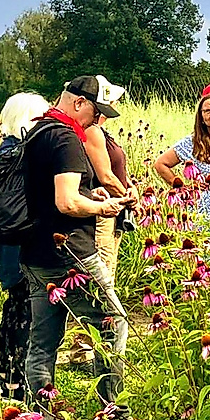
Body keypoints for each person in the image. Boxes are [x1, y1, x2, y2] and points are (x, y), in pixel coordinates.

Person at [20, 75, 132, 420]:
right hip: (70, 253)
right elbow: (66, 202)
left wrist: (92, 195)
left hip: (34, 254)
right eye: (95, 111)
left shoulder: (37, 133)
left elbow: (51, 193)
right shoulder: (67, 137)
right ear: (79, 103)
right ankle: (113, 412)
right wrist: (103, 208)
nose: (96, 120)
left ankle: (45, 419)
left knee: (43, 340)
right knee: (113, 325)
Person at [0, 92, 50, 402]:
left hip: (2, 243)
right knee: (28, 312)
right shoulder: (24, 154)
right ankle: (22, 383)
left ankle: (6, 378)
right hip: (22, 243)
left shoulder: (2, 152)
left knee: (14, 308)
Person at [81, 81, 135, 275]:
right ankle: (103, 305)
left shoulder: (101, 131)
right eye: (115, 102)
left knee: (110, 261)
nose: (117, 105)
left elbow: (114, 165)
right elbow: (105, 175)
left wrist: (130, 185)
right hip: (103, 205)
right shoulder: (91, 131)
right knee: (103, 265)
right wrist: (129, 200)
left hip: (114, 203)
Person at [154, 92, 210, 216]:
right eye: (207, 111)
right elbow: (160, 164)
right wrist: (181, 186)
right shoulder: (190, 143)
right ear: (201, 116)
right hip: (201, 212)